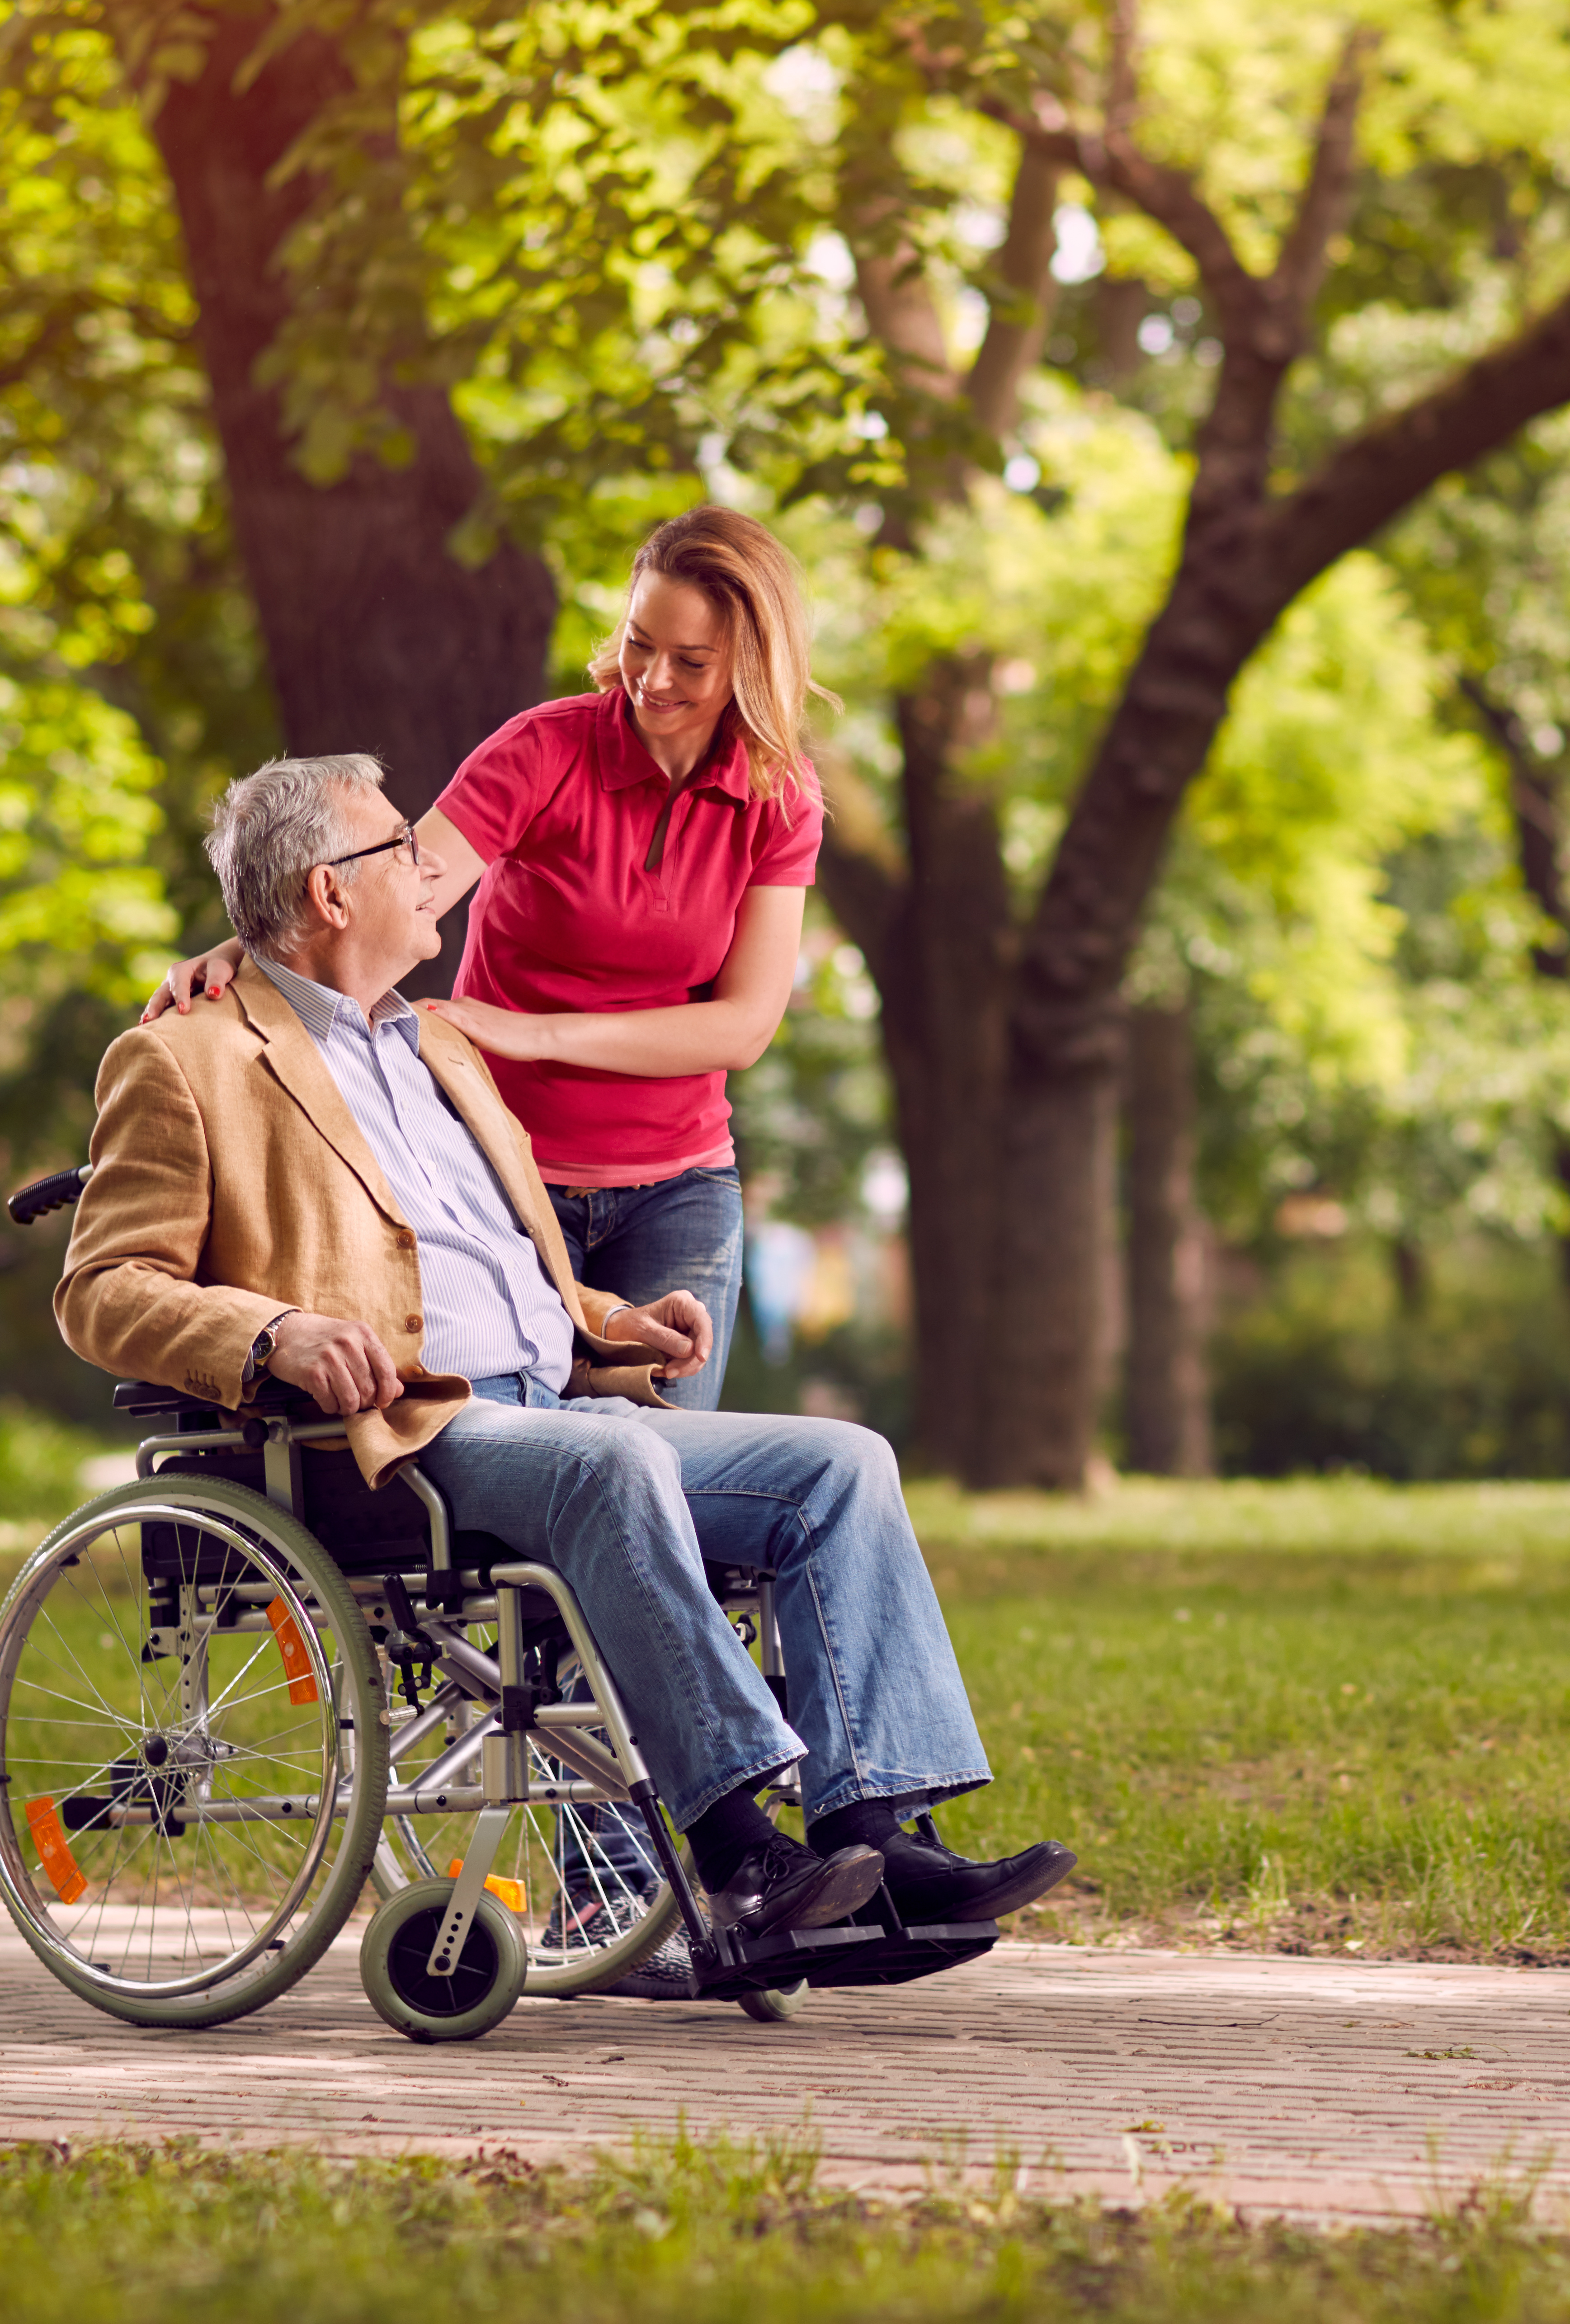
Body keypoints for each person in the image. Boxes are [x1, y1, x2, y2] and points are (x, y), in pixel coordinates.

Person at [63, 751, 1071, 1947]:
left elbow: (493, 1263)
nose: (428, 867)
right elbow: (104, 1289)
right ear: (330, 895)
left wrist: (610, 1327)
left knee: (841, 1464)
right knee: (619, 1469)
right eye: (397, 848)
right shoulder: (189, 1059)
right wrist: (276, 1333)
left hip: (559, 1410)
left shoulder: (438, 1047)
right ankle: (742, 1851)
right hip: (402, 1434)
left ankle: (879, 1841)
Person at [146, 507, 827, 1412]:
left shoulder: (781, 800)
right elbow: (389, 886)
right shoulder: (545, 750)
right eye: (639, 643)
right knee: (540, 1485)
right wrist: (251, 938)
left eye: (692, 662)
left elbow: (741, 1026)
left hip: (679, 1188)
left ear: (752, 660)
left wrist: (532, 1033)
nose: (653, 680)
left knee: (676, 1475)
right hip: (504, 1173)